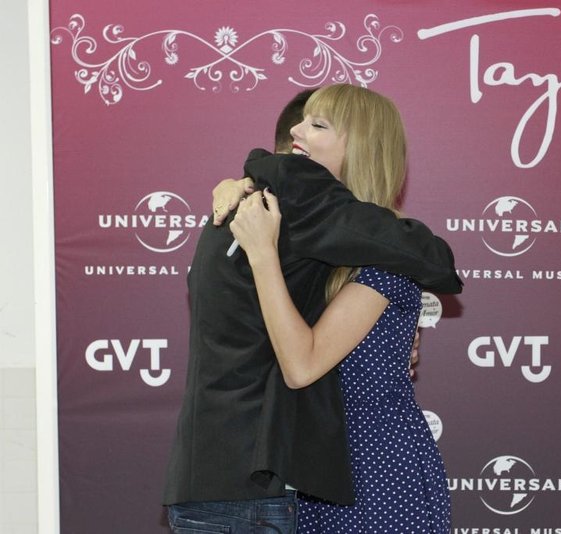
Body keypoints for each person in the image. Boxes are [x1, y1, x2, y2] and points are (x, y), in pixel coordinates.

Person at [163, 85, 460, 534]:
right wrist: (241, 185)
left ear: (360, 147)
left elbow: (303, 364)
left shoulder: (387, 258)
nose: (296, 131)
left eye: (318, 124)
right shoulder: (311, 244)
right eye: (302, 122)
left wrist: (261, 248)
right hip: (312, 482)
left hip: (377, 479)